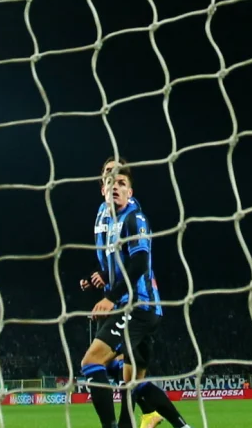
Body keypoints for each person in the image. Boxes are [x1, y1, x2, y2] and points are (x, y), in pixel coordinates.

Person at [79, 165, 188, 428]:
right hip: (128, 305)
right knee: (131, 382)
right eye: (109, 179)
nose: (115, 185)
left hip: (139, 305)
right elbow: (113, 261)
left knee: (92, 362)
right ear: (102, 187)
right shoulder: (102, 216)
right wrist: (100, 277)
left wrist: (109, 297)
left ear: (130, 190)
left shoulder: (134, 217)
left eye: (121, 181)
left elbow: (139, 262)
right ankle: (178, 424)